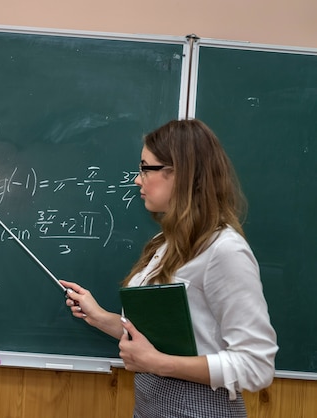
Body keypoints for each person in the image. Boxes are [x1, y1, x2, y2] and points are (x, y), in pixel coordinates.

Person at [60, 119, 278, 417]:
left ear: (179, 174)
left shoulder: (223, 249)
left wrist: (159, 363)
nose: (137, 180)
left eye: (145, 169)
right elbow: (157, 339)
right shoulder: (165, 242)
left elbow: (257, 365)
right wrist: (99, 317)